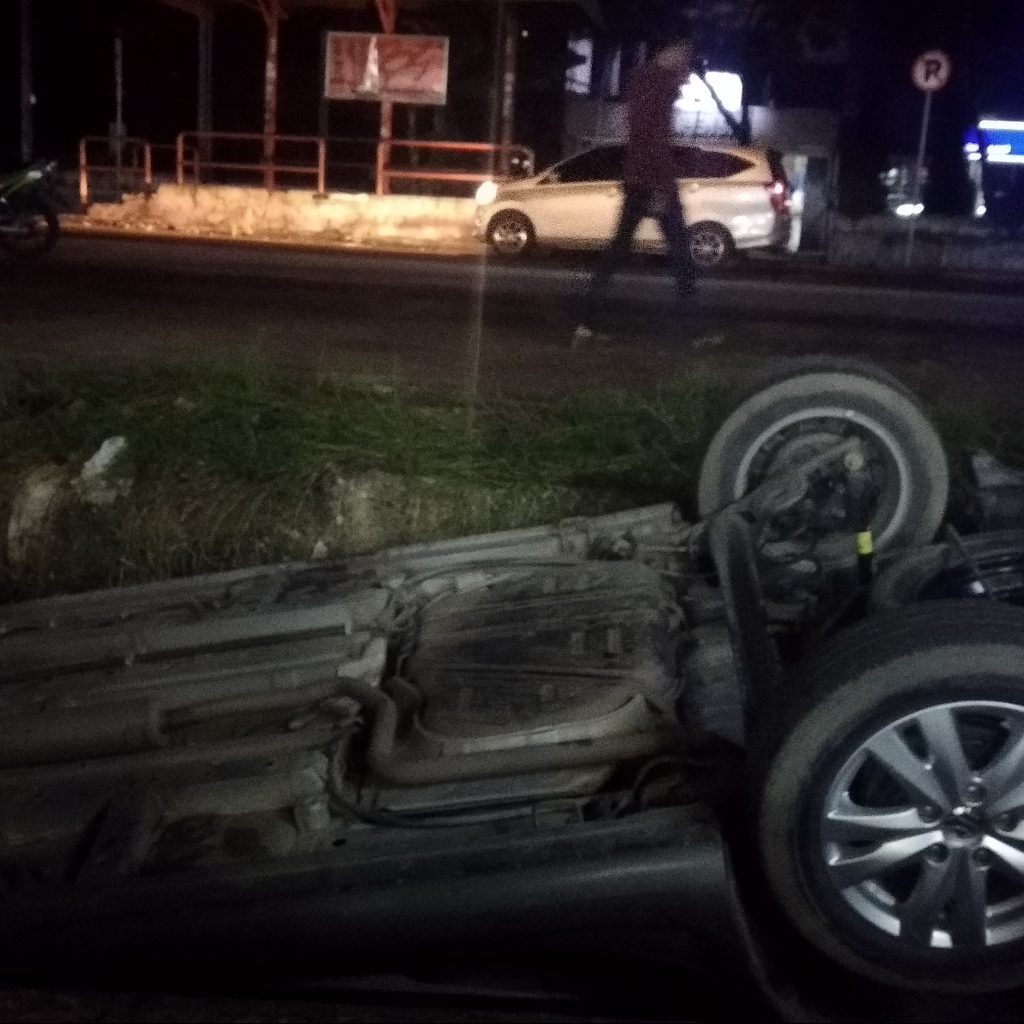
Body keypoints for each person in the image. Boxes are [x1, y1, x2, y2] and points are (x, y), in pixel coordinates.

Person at [574, 30, 698, 342]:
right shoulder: (654, 85)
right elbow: (651, 140)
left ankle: (586, 323)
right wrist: (659, 188)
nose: (686, 62)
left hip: (642, 180)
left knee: (620, 252)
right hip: (652, 181)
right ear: (667, 51)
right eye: (683, 53)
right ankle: (691, 331)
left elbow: (648, 138)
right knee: (679, 254)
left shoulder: (651, 83)